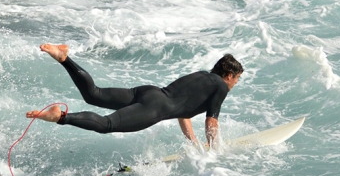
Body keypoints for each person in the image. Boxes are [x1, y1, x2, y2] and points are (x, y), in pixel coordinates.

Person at [27, 44, 243, 146]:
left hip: (149, 92)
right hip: (154, 108)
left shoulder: (203, 76)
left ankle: (64, 58)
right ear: (229, 75)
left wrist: (195, 145)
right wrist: (214, 151)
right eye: (237, 79)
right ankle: (61, 116)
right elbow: (211, 121)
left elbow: (182, 113)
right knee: (106, 124)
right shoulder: (221, 87)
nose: (236, 83)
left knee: (94, 94)